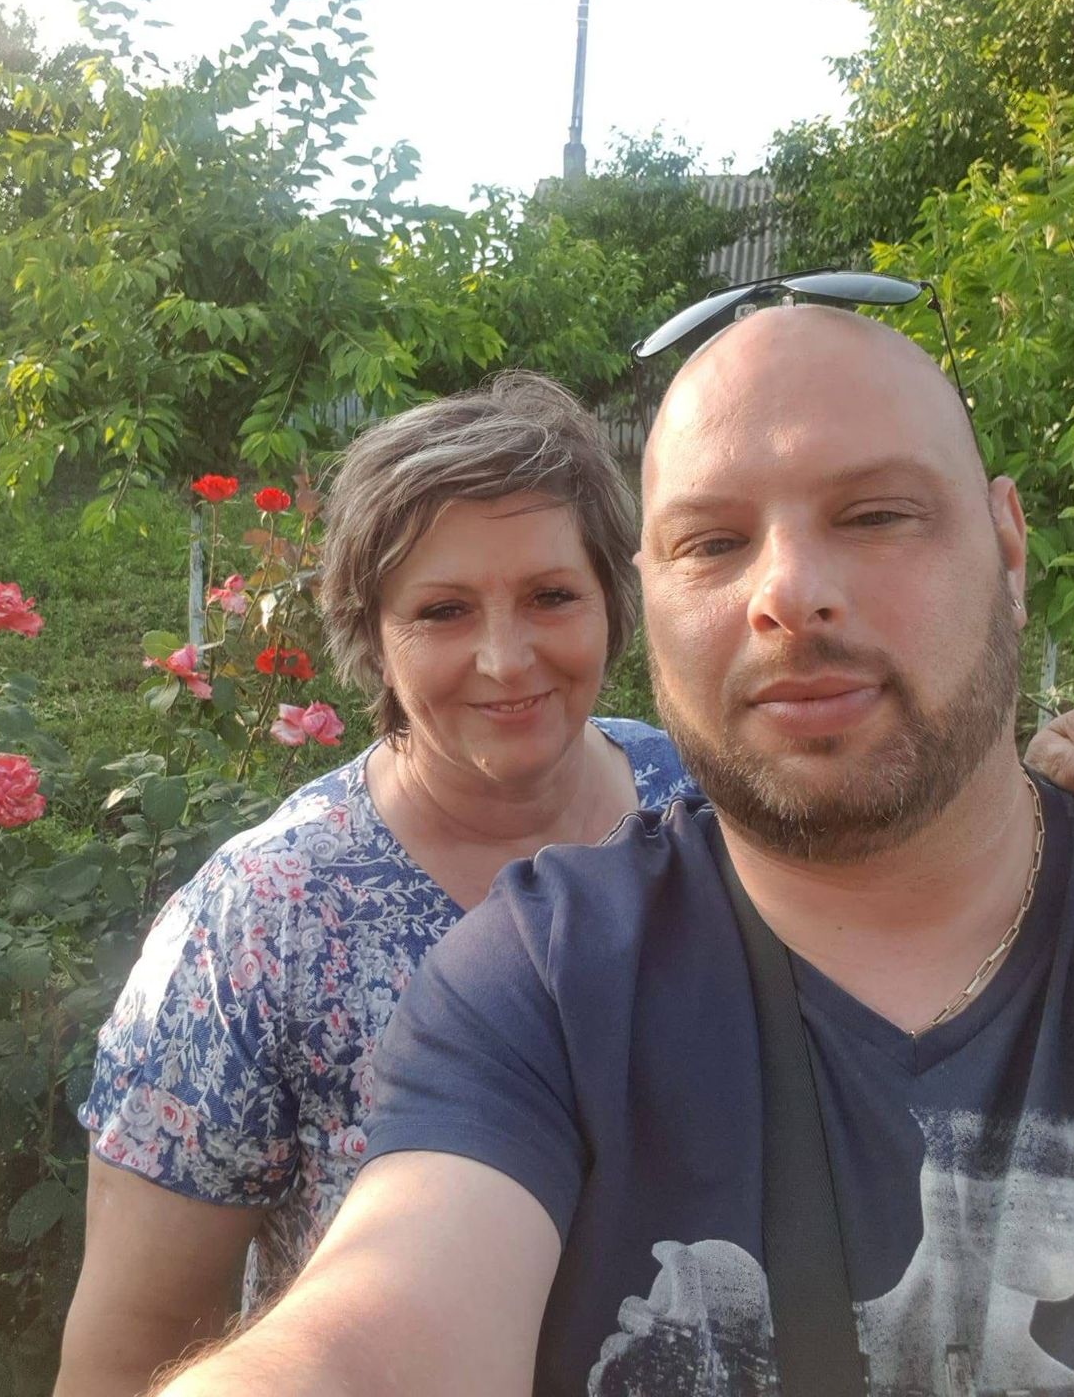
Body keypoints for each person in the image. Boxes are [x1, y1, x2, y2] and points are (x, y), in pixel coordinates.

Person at [155, 306, 1074, 1397]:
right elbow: (358, 1333)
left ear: (1008, 547)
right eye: (714, 541)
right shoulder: (516, 966)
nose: (787, 593)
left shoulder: (669, 777)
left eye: (878, 514)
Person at [55, 374, 697, 1397]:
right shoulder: (265, 920)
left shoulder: (701, 806)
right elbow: (133, 1341)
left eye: (551, 596)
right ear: (372, 634)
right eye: (443, 610)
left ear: (612, 602)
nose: (506, 659)